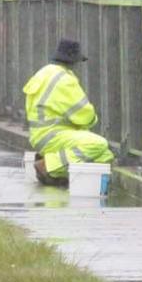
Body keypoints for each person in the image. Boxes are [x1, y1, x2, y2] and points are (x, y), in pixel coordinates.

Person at [23, 38, 113, 187]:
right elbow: (86, 117)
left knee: (105, 156)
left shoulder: (44, 72)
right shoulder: (65, 80)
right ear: (74, 61)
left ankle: (59, 176)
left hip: (38, 134)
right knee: (98, 144)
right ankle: (48, 165)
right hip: (53, 135)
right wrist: (93, 120)